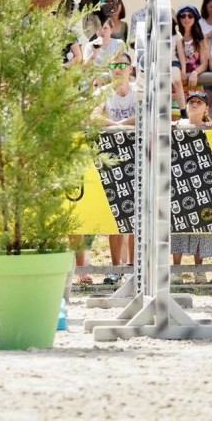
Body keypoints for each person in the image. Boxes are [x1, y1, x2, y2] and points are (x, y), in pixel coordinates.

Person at [91, 52, 138, 284]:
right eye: (114, 65)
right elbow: (93, 116)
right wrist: (120, 125)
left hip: (138, 154)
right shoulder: (102, 92)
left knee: (137, 216)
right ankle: (115, 268)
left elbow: (146, 116)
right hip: (111, 156)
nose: (118, 69)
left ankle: (133, 267)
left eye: (122, 64)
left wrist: (119, 125)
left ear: (131, 68)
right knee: (115, 217)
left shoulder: (138, 90)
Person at [172, 90, 212, 283]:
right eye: (191, 101)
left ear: (206, 107)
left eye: (199, 102)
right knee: (178, 226)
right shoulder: (176, 125)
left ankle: (200, 270)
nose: (194, 104)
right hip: (180, 179)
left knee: (204, 224)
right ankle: (176, 270)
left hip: (205, 181)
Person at [177, 5, 207, 94]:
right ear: (179, 19)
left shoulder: (201, 38)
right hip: (177, 84)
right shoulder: (174, 37)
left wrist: (195, 73)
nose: (186, 18)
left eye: (190, 16)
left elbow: (204, 64)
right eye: (183, 16)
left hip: (195, 83)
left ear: (195, 19)